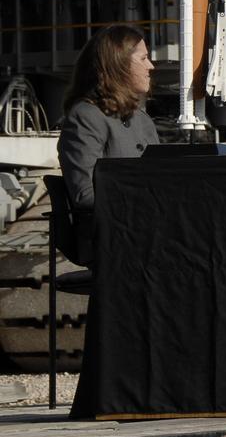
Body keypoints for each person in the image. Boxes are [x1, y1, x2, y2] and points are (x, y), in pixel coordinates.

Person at [57, 24, 159, 263]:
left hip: (144, 232)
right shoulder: (86, 117)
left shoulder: (141, 120)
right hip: (110, 237)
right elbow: (85, 195)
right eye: (143, 58)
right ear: (119, 64)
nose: (151, 66)